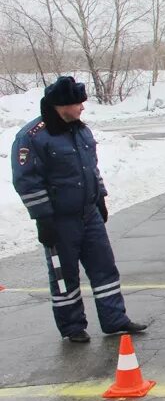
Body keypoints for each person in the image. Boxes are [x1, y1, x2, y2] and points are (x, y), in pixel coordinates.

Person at [11, 76, 147, 343]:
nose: (83, 108)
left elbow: (90, 169)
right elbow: (26, 180)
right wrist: (43, 219)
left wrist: (100, 199)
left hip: (88, 214)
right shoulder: (32, 137)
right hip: (59, 221)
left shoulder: (80, 130)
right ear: (61, 106)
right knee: (65, 277)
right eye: (78, 103)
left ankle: (114, 319)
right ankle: (72, 327)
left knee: (104, 268)